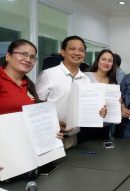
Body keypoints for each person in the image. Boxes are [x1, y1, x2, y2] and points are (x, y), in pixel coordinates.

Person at [0, 39, 63, 180]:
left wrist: (51, 133)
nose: (28, 59)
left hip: (24, 157)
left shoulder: (28, 84)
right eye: (23, 54)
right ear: (8, 56)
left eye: (32, 57)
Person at [35, 36, 105, 149]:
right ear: (63, 52)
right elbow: (36, 107)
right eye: (72, 49)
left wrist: (99, 112)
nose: (77, 53)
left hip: (73, 138)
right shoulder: (48, 74)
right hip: (51, 137)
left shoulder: (86, 79)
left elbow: (86, 108)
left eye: (81, 50)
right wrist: (54, 123)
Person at [79, 49, 116, 142]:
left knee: (103, 154)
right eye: (103, 59)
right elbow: (80, 102)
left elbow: (112, 107)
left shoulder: (113, 83)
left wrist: (118, 103)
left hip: (105, 127)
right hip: (87, 126)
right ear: (98, 60)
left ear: (113, 64)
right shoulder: (86, 77)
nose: (106, 63)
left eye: (110, 61)